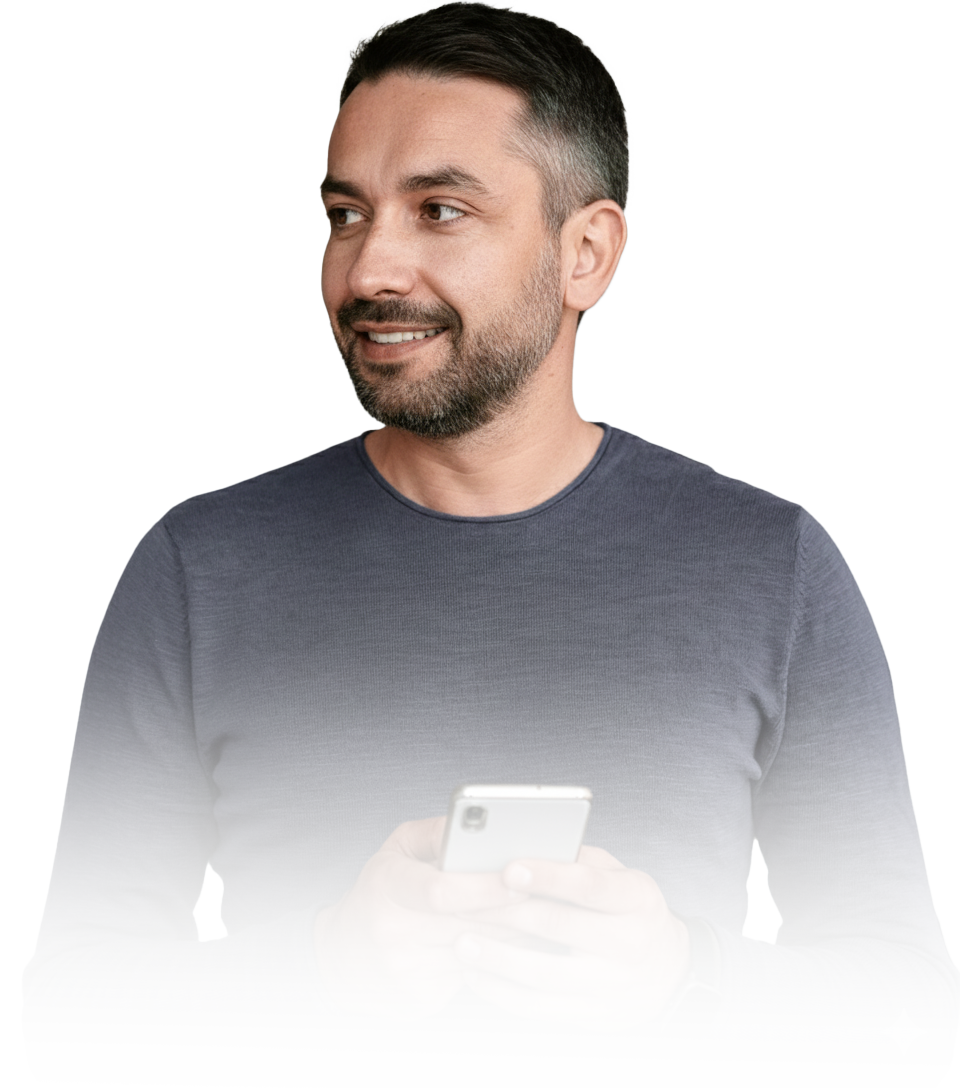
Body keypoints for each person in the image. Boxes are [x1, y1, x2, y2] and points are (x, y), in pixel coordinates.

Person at [22, 3, 958, 1086]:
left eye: (441, 210)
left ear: (586, 252)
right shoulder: (202, 570)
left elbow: (910, 1024)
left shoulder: (771, 567)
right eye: (346, 213)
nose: (369, 269)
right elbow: (69, 1029)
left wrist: (679, 977)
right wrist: (325, 964)